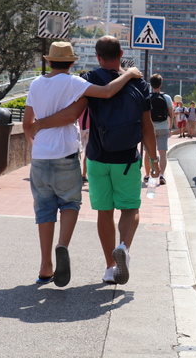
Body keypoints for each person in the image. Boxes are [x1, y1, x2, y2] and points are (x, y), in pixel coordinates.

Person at [30, 36, 159, 285]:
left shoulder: (90, 79)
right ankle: (123, 247)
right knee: (131, 208)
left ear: (98, 57)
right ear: (121, 53)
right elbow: (147, 127)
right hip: (127, 159)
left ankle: (110, 266)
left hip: (97, 158)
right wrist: (153, 160)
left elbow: (72, 114)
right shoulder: (139, 84)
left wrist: (39, 125)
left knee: (104, 211)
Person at [144, 73, 173, 185]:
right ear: (161, 84)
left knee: (147, 152)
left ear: (151, 85)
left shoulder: (147, 97)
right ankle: (161, 175)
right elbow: (171, 114)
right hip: (163, 128)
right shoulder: (167, 98)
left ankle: (147, 175)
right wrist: (169, 128)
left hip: (149, 129)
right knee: (162, 153)